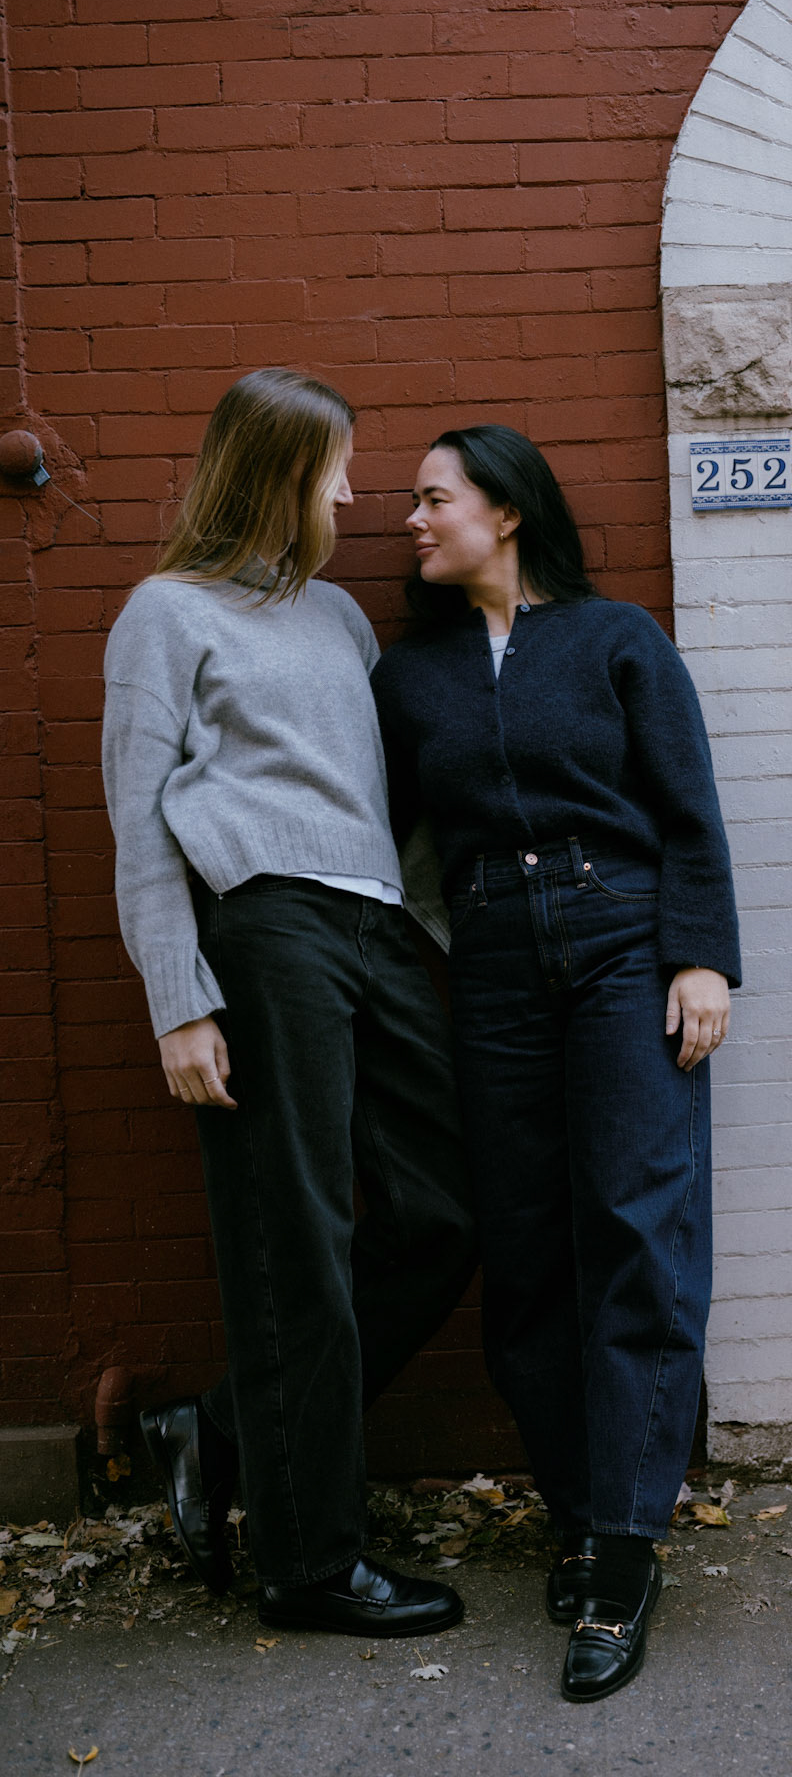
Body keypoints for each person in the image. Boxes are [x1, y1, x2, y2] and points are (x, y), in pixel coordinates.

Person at [101, 368, 477, 1639]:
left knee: (441, 1207)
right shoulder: (164, 613)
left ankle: (214, 1427)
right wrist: (178, 1001)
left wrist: (439, 936)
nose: (352, 492)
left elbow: (373, 804)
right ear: (275, 471)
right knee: (295, 1233)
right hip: (261, 928)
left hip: (371, 925)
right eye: (334, 469)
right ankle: (309, 1561)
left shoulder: (338, 623)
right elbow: (140, 824)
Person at [370, 424, 741, 1703]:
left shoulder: (618, 639)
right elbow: (378, 832)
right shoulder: (408, 676)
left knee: (638, 1225)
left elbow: (691, 812)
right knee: (525, 1247)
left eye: (433, 497)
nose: (410, 519)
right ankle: (582, 1512)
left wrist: (700, 957)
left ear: (508, 511)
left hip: (623, 946)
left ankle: (628, 1548)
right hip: (489, 964)